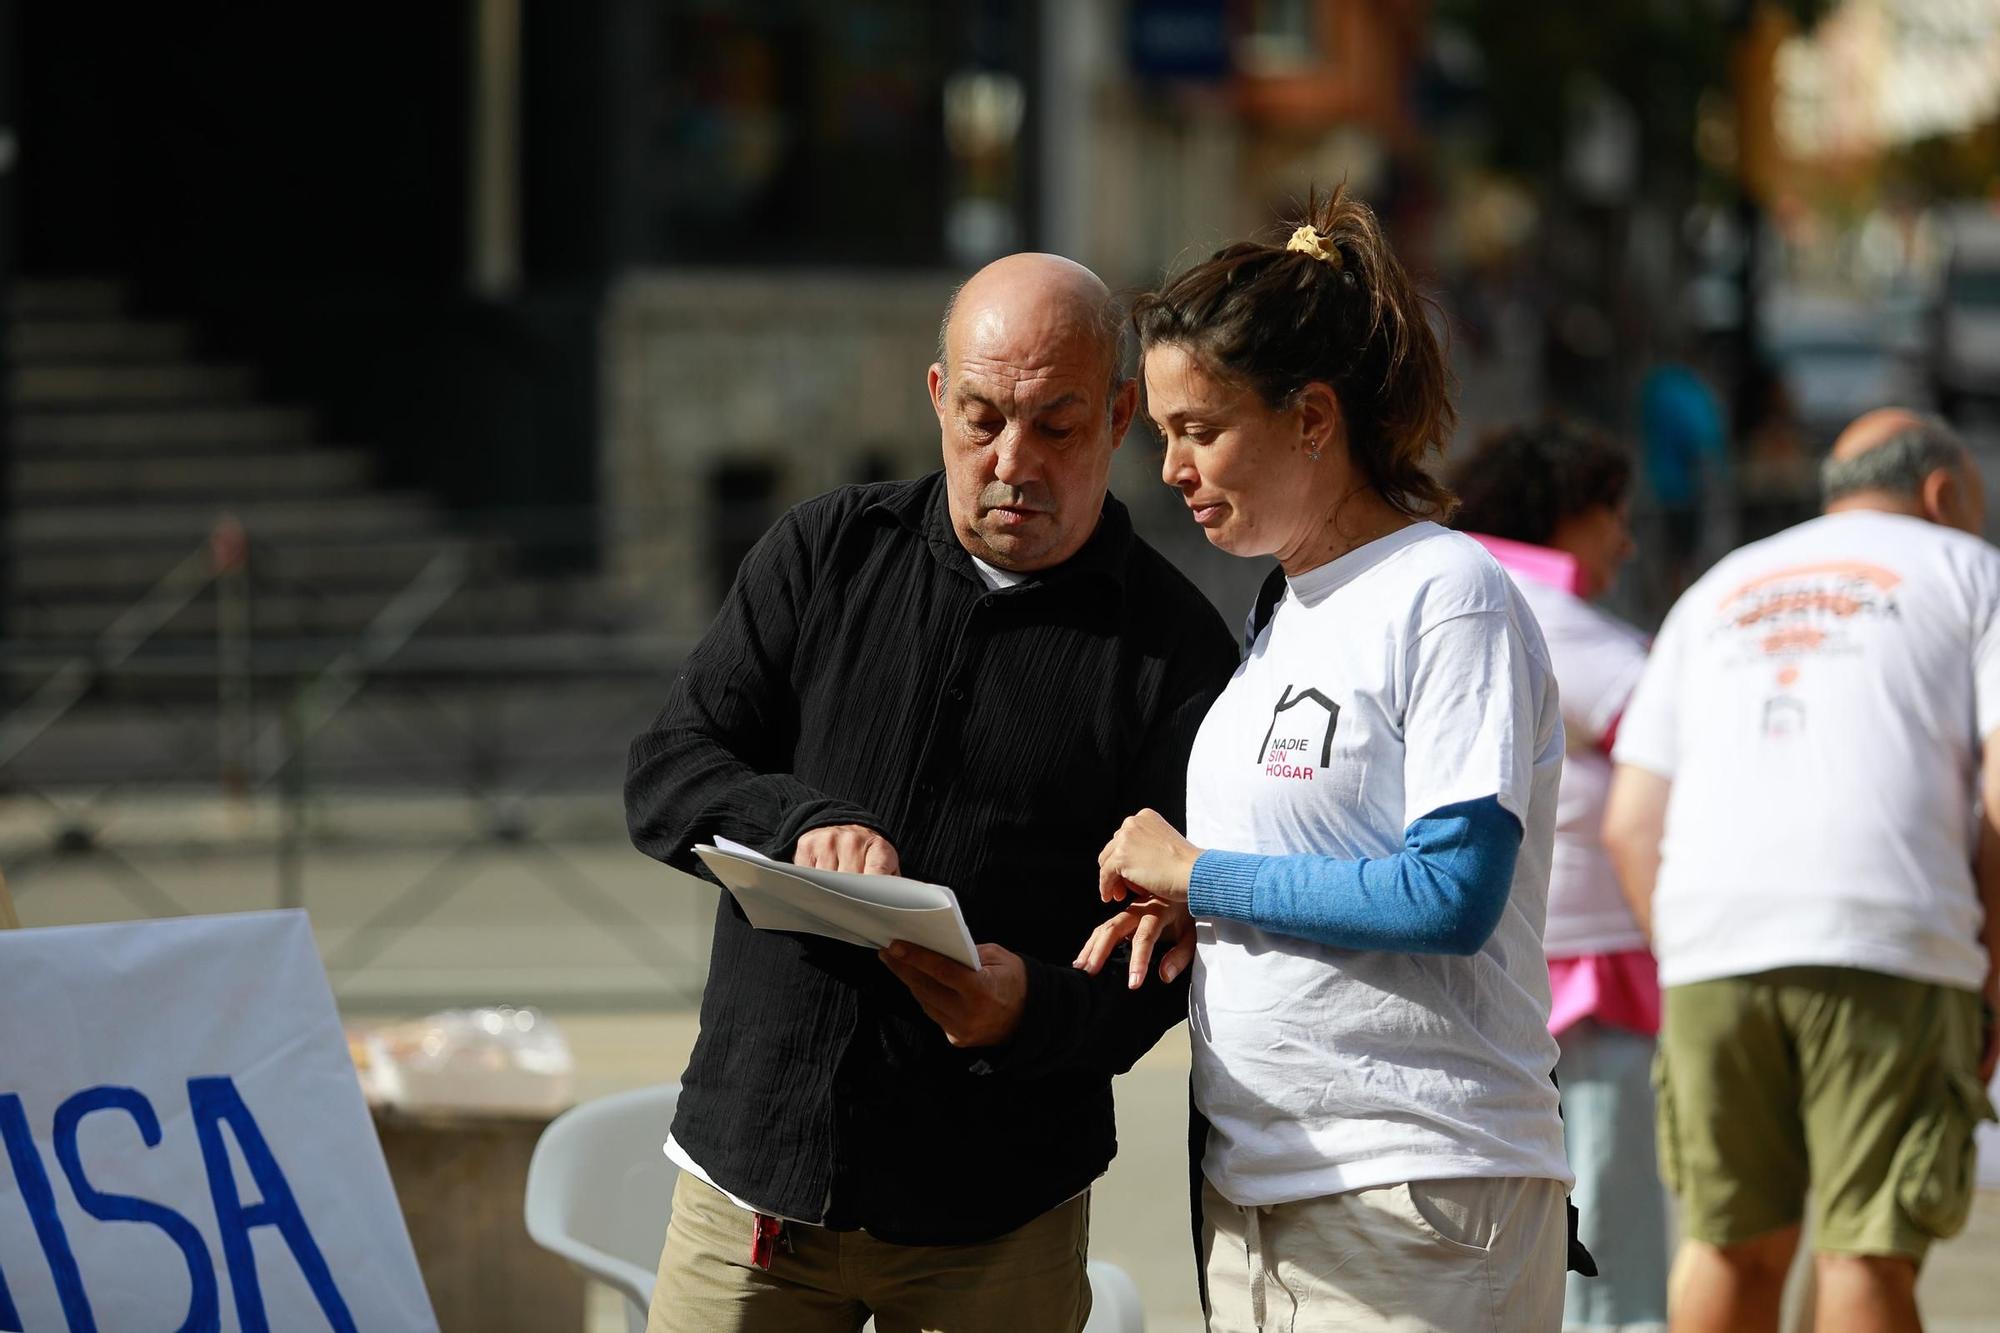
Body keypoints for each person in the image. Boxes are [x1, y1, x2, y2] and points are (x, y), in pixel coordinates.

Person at [622, 253, 1238, 1332]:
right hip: (754, 1183)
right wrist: (802, 822)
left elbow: (1172, 963)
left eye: (1054, 425)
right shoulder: (824, 551)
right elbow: (669, 771)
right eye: (980, 417)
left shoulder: (1174, 653)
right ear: (934, 399)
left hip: (996, 1218)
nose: (1013, 462)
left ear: (1119, 414)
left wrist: (1028, 1010)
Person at [1078, 189, 1573, 1331]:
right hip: (1258, 1193)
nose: (1170, 469)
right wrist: (1207, 912)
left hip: (1416, 1188)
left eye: (1198, 429)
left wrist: (1204, 877)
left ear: (1311, 418)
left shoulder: (1446, 595)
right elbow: (1323, 862)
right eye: (1161, 435)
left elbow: (1449, 892)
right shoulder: (1283, 610)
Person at [1603, 409, 2000, 1333]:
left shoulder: (1718, 589)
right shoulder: (1972, 573)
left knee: (1730, 1244)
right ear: (1943, 493)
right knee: (1863, 1251)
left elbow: (1631, 823)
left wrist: (1695, 948)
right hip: (1891, 938)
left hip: (1710, 945)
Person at [1453, 422, 1668, 1332]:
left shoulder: (1447, 598)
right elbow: (1693, 755)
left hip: (1480, 972)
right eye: (1613, 514)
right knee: (1610, 1247)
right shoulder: (1562, 626)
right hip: (1589, 972)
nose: (1625, 539)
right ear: (1565, 514)